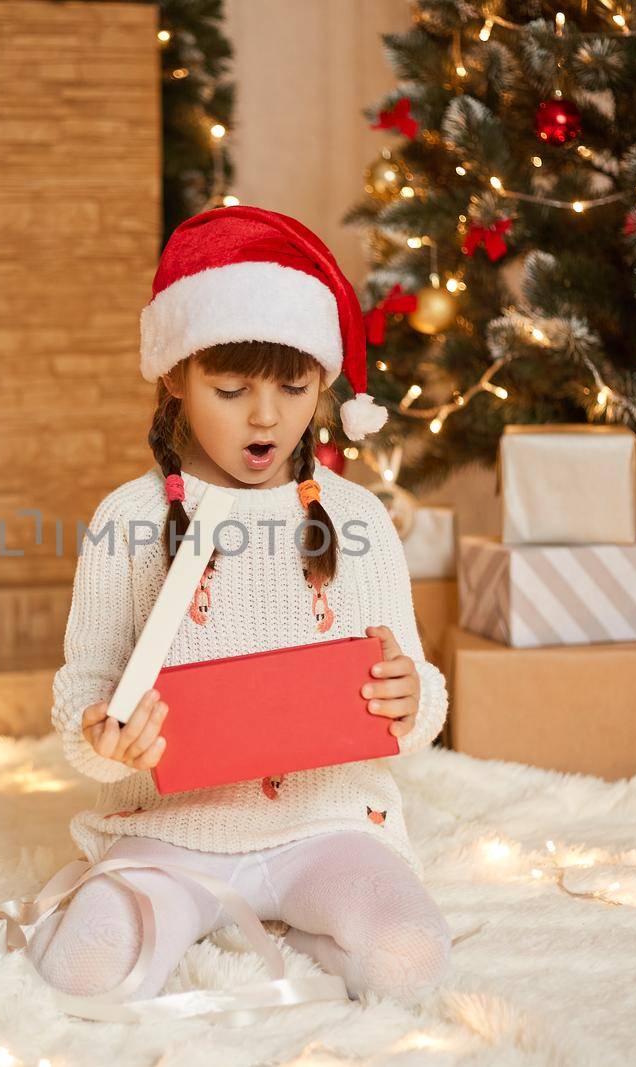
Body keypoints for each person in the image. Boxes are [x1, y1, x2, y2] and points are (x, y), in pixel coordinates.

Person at [27, 205, 451, 1005]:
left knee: (413, 957)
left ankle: (314, 925)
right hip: (169, 831)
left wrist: (410, 695)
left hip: (325, 826)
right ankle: (214, 918)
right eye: (231, 389)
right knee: (80, 969)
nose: (266, 416)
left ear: (322, 383)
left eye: (294, 388)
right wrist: (103, 736)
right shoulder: (129, 519)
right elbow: (84, 692)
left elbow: (419, 692)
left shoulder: (356, 520)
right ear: (175, 379)